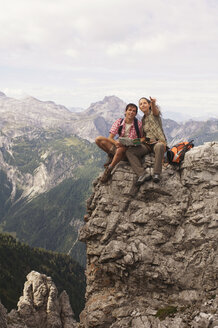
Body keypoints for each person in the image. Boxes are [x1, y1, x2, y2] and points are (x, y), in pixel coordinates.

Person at [95, 103, 142, 183]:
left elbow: (142, 139)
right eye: (129, 110)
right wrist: (116, 143)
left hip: (129, 150)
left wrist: (134, 142)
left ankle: (109, 169)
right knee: (98, 139)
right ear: (125, 111)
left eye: (134, 111)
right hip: (119, 145)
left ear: (136, 114)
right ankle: (113, 156)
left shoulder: (139, 124)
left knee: (120, 149)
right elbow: (110, 137)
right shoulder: (119, 122)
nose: (131, 112)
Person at [126, 97, 167, 184]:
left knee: (160, 146)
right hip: (147, 144)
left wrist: (153, 103)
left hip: (158, 142)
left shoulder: (154, 114)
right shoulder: (143, 120)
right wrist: (133, 142)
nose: (142, 105)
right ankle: (142, 174)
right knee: (130, 152)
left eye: (144, 103)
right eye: (140, 104)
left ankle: (156, 174)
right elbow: (143, 137)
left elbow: (155, 111)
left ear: (149, 105)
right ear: (139, 108)